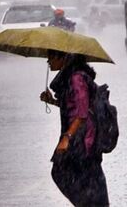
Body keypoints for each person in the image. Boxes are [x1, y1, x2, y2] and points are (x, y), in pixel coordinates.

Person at [40, 50, 109, 206]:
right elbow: (73, 107)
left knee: (64, 171)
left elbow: (82, 113)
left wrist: (67, 138)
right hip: (79, 135)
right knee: (84, 175)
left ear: (62, 58)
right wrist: (52, 101)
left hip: (84, 138)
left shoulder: (76, 78)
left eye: (51, 57)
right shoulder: (70, 78)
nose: (48, 62)